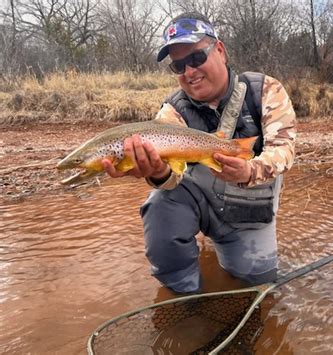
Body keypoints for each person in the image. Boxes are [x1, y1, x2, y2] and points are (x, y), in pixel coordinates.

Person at [103, 12, 296, 294]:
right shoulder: (172, 111)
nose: (189, 72)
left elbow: (284, 151)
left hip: (249, 211)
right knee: (158, 203)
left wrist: (249, 170)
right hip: (198, 203)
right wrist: (158, 173)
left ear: (220, 51)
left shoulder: (263, 90)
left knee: (256, 286)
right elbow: (171, 182)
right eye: (178, 66)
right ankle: (185, 298)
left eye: (195, 58)